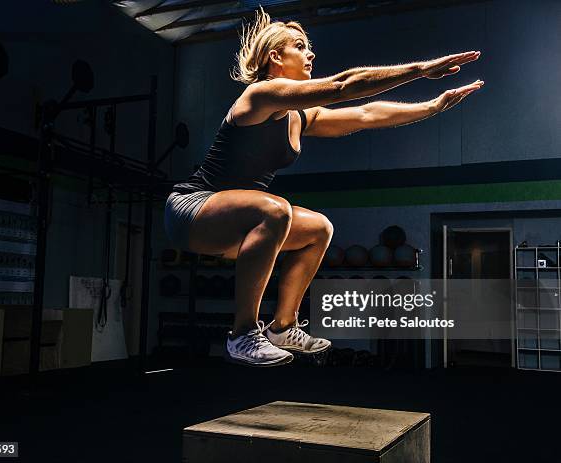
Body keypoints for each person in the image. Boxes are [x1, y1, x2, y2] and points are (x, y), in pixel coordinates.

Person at [165, 7, 483, 366]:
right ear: (275, 57)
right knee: (274, 209)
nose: (311, 53)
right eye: (300, 47)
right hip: (191, 211)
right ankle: (242, 334)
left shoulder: (301, 117)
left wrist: (432, 106)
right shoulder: (259, 96)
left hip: (237, 223)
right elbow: (343, 86)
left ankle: (283, 326)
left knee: (318, 228)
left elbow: (366, 114)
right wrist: (420, 70)